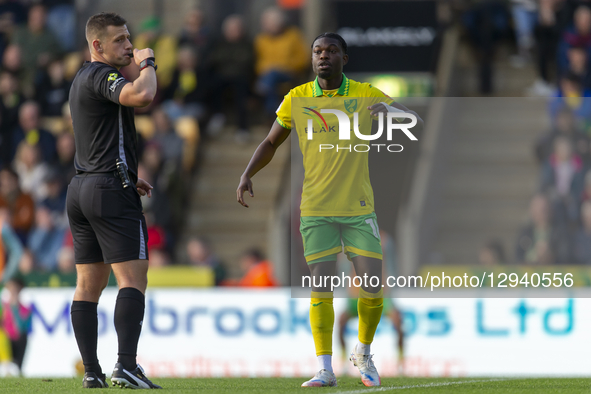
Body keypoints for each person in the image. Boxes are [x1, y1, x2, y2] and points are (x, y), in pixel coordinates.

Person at [237, 32, 420, 387]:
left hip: (358, 209)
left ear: (344, 59)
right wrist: (247, 173)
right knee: (321, 289)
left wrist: (393, 113)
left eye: (332, 51)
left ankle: (364, 354)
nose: (323, 56)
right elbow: (271, 141)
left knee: (372, 287)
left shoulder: (366, 94)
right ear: (311, 59)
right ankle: (324, 368)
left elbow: (414, 120)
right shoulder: (298, 98)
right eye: (318, 51)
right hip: (315, 210)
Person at [66, 12, 160, 389]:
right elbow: (144, 95)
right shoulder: (102, 75)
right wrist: (148, 62)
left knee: (88, 283)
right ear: (97, 46)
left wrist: (125, 172)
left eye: (129, 38)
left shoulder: (79, 80)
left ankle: (92, 372)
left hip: (83, 187)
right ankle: (126, 366)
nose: (129, 45)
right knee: (132, 279)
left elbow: (99, 136)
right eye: (120, 40)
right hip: (109, 190)